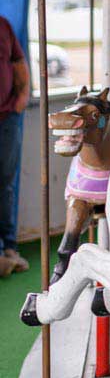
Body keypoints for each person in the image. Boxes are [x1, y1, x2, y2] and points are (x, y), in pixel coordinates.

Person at [0, 15, 29, 278]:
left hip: (6, 119)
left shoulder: (4, 25)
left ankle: (8, 249)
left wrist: (21, 99)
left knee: (5, 185)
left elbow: (19, 63)